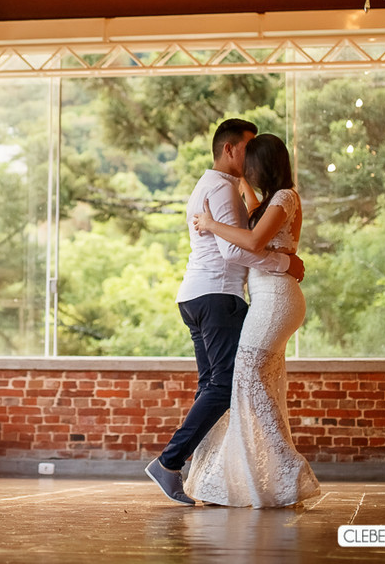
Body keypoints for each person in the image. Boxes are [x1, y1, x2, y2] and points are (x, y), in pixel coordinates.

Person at [145, 120, 305, 506]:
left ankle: (200, 473)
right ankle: (169, 462)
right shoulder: (220, 189)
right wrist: (286, 265)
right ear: (231, 149)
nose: (250, 159)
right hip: (218, 295)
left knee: (211, 386)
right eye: (247, 149)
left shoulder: (220, 186)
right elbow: (236, 250)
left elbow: (253, 218)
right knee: (224, 385)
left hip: (199, 295)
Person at [182, 133, 320, 508]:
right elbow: (254, 209)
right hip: (266, 297)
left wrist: (210, 224)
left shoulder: (286, 197)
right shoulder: (269, 199)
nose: (248, 169)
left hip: (277, 298)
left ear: (266, 163)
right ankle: (253, 474)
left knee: (246, 378)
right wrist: (236, 178)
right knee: (254, 382)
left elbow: (255, 240)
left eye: (252, 163)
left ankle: (287, 470)